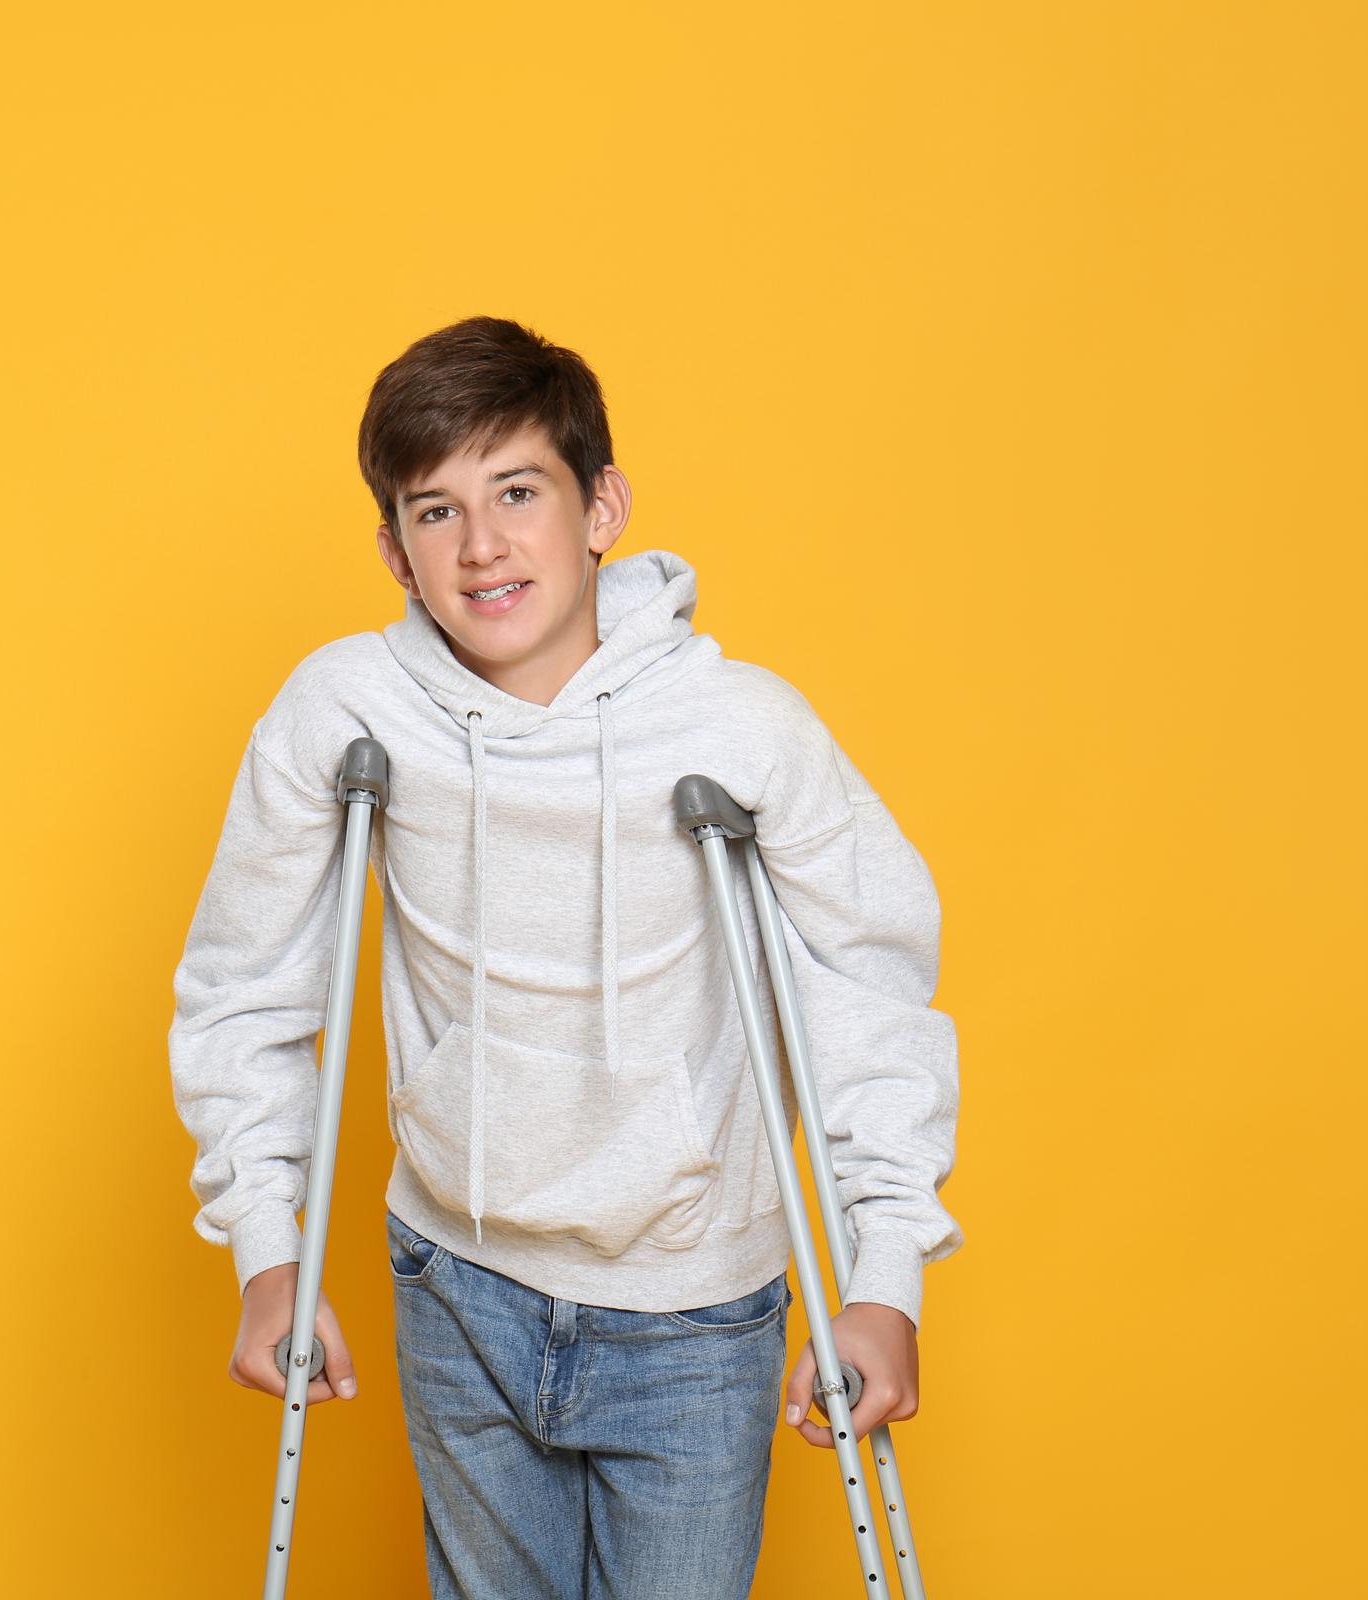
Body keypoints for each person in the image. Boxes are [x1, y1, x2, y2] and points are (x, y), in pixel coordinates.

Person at [167, 314, 962, 1598]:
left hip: (695, 1304)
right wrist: (270, 1248)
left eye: (518, 492)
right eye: (435, 512)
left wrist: (884, 1278)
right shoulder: (346, 710)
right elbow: (244, 986)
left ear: (602, 506)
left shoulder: (740, 725)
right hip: (456, 1278)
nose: (481, 546)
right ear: (394, 549)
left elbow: (868, 993)